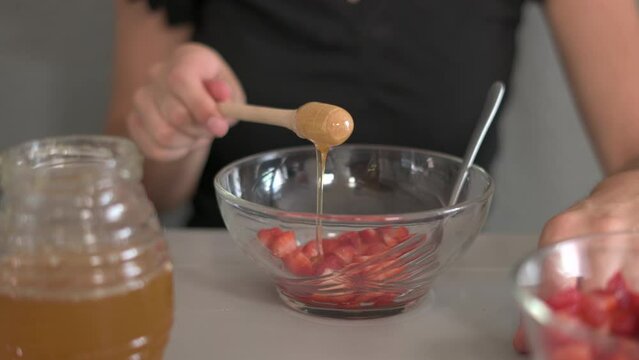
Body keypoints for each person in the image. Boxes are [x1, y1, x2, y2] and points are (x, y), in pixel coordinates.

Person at [106, 0, 639, 352]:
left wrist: (624, 194)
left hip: (446, 311)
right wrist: (178, 126)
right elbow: (144, 187)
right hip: (228, 297)